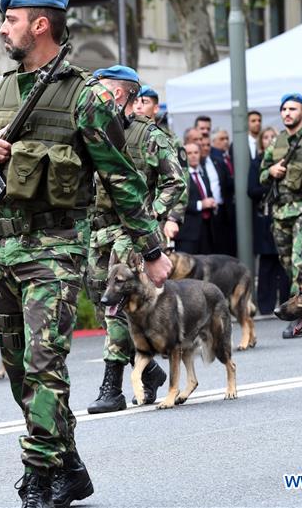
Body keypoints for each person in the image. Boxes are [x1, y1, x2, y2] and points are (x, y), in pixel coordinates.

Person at [0, 0, 171, 508]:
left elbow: (122, 179)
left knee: (43, 363)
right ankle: (70, 465)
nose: (2, 27)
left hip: (54, 251)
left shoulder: (87, 97)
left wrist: (151, 249)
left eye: (10, 19)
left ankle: (37, 477)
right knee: (17, 370)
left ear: (40, 24)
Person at [85, 68, 186, 414]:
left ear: (122, 95)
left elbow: (176, 182)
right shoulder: (92, 131)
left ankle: (111, 387)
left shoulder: (149, 136)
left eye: (102, 92)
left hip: (129, 232)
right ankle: (152, 372)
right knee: (103, 304)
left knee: (117, 307)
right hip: (94, 231)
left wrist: (151, 212)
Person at [259, 92, 302, 337]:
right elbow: (261, 177)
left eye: (293, 109)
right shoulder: (275, 143)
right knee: (288, 263)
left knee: (301, 264)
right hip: (281, 213)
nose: (287, 113)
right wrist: (271, 171)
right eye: (284, 109)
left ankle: (300, 316)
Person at [247, 127, 290, 314]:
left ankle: (287, 304)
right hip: (265, 219)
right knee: (266, 264)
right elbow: (252, 190)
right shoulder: (257, 163)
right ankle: (265, 307)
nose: (270, 140)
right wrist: (271, 185)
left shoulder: (287, 161)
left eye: (274, 137)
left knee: (284, 262)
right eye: (266, 137)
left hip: (285, 216)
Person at [175, 142, 217, 254]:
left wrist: (212, 202)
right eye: (189, 153)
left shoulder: (202, 174)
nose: (193, 156)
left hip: (206, 229)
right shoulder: (179, 177)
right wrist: (200, 204)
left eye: (196, 152)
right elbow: (177, 202)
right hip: (187, 232)